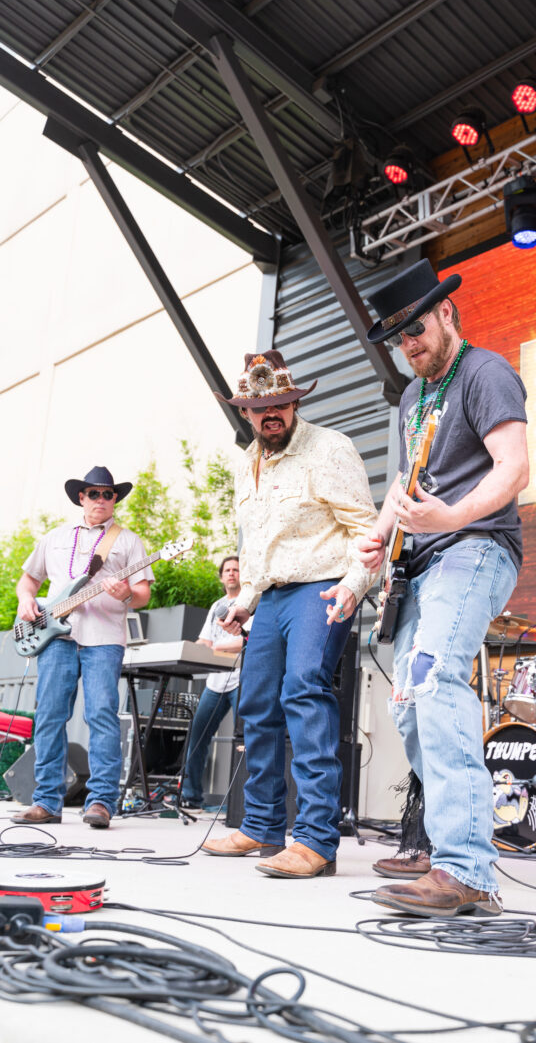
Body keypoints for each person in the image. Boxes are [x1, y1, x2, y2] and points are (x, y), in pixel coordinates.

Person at [358, 259, 529, 917]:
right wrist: (374, 548)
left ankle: (468, 870)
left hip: (477, 548)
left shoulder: (486, 374)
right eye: (399, 337)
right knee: (407, 704)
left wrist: (452, 516)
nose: (410, 345)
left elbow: (515, 469)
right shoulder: (411, 397)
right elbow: (404, 488)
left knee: (432, 680)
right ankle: (448, 847)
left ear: (447, 313)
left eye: (417, 329)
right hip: (421, 562)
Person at [201, 350, 378, 877]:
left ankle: (317, 840)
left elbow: (365, 529)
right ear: (245, 413)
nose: (270, 414)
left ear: (294, 401)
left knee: (303, 689)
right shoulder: (246, 462)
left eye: (279, 403)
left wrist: (353, 584)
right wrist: (242, 601)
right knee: (255, 705)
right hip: (272, 597)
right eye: (259, 408)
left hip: (322, 587)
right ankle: (259, 825)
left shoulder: (330, 449)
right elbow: (256, 546)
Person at [13, 466, 153, 829]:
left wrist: (126, 594)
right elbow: (28, 581)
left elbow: (142, 594)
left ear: (115, 500)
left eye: (109, 494)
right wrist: (26, 602)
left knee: (102, 717)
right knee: (49, 717)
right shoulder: (55, 536)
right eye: (95, 493)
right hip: (55, 637)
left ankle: (102, 802)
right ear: (81, 497)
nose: (102, 500)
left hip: (103, 640)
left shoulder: (128, 541)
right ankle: (46, 801)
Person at [178, 555, 247, 810]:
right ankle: (191, 796)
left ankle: (242, 804)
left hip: (240, 679)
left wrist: (218, 646)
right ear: (221, 577)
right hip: (215, 683)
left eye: (236, 570)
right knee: (197, 737)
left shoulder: (248, 604)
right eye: (227, 570)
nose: (231, 573)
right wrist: (184, 651)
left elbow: (248, 641)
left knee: (245, 739)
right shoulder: (217, 605)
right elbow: (204, 643)